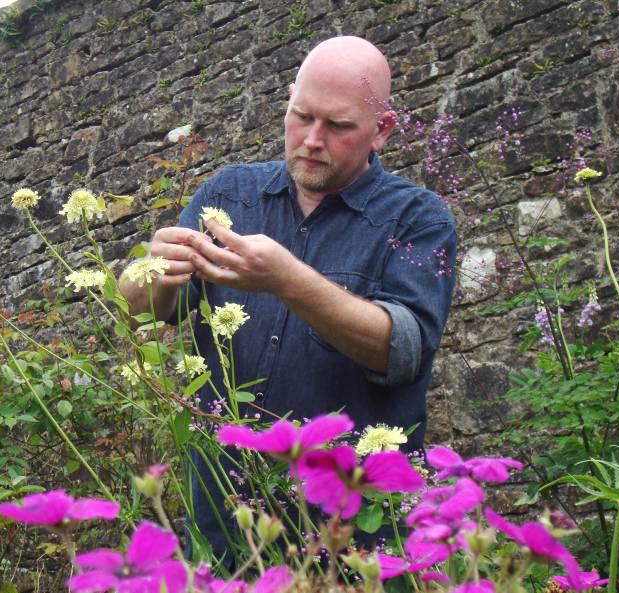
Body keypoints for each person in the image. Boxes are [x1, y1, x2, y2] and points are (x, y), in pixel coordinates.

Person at [119, 36, 457, 560]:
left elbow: (403, 349)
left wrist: (286, 280)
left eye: (339, 126)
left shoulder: (419, 217)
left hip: (354, 532)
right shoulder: (227, 194)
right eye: (301, 117)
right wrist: (155, 269)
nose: (312, 140)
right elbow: (145, 308)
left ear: (382, 130)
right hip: (222, 515)